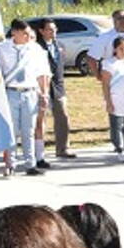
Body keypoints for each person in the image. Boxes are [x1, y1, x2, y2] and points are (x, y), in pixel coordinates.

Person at [0, 18, 51, 176]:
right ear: (14, 32)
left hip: (30, 91)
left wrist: (44, 93)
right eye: (24, 33)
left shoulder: (35, 49)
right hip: (11, 91)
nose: (28, 37)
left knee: (29, 129)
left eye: (29, 34)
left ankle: (30, 163)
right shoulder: (2, 48)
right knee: (11, 130)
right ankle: (10, 163)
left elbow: (42, 73)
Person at [33, 19, 72, 162]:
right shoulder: (36, 47)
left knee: (63, 116)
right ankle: (37, 151)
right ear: (41, 31)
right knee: (39, 119)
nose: (53, 32)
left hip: (58, 87)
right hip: (41, 86)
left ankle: (63, 148)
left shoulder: (60, 45)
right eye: (49, 29)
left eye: (55, 29)